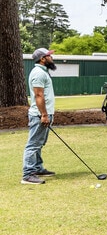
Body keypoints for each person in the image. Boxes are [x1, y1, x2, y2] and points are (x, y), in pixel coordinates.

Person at [22, 48, 57, 185]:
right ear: (43, 59)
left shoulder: (43, 72)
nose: (52, 58)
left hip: (44, 114)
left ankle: (37, 168)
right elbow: (38, 95)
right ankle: (28, 174)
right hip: (39, 115)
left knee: (39, 143)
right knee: (33, 144)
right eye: (49, 56)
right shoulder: (38, 73)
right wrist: (44, 114)